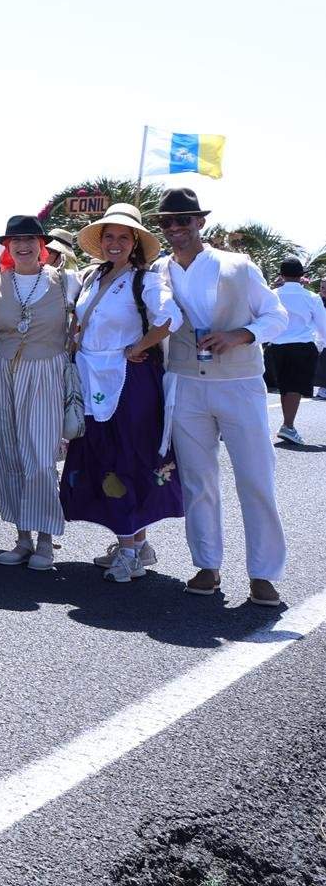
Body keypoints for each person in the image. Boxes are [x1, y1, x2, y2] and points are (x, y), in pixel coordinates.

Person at [155, 188, 290, 607]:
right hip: (184, 383)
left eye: (184, 220)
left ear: (201, 222)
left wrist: (241, 334)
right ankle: (207, 565)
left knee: (255, 478)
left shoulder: (239, 267)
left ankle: (264, 574)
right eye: (167, 223)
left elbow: (277, 316)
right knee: (198, 481)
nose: (176, 229)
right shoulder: (159, 271)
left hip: (239, 383)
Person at [60, 203, 181, 585]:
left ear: (135, 243)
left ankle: (129, 550)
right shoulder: (94, 277)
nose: (115, 243)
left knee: (127, 458)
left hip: (128, 380)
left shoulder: (144, 281)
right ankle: (134, 542)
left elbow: (169, 318)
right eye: (109, 236)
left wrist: (139, 345)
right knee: (103, 456)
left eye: (123, 237)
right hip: (93, 376)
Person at [0, 216, 70, 571]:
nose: (23, 245)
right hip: (2, 373)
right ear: (7, 246)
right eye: (15, 240)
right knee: (9, 453)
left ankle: (46, 540)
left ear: (41, 244)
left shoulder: (65, 282)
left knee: (41, 455)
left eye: (29, 239)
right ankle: (22, 538)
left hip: (46, 370)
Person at [265, 257, 326, 444]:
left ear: (281, 275)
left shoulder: (272, 294)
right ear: (302, 276)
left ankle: (285, 425)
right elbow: (322, 325)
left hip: (275, 346)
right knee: (293, 387)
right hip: (301, 345)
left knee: (282, 386)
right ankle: (288, 426)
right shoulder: (311, 297)